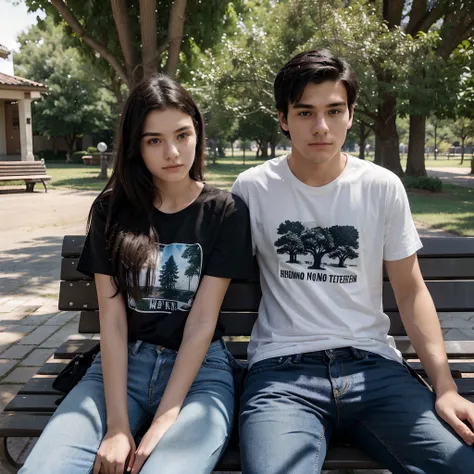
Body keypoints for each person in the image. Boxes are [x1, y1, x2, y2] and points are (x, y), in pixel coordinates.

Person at [232, 49, 474, 474]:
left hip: (374, 368)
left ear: (350, 114)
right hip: (283, 375)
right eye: (305, 112)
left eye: (333, 111)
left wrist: (446, 387)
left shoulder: (381, 186)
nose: (320, 127)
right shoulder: (253, 188)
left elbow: (411, 289)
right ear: (283, 118)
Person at [19, 74, 253, 474]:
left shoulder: (225, 211)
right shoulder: (113, 210)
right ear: (135, 146)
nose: (172, 152)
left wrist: (165, 416)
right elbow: (111, 321)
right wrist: (116, 426)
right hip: (120, 368)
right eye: (154, 140)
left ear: (197, 131)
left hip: (199, 373)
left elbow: (201, 322)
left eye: (182, 134)